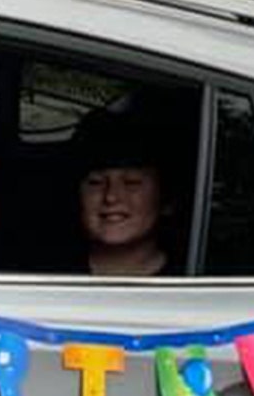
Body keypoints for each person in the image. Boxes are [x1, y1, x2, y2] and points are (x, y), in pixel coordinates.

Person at [72, 106, 179, 277]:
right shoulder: (37, 274)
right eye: (96, 182)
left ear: (166, 201)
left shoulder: (195, 282)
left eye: (132, 183)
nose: (111, 197)